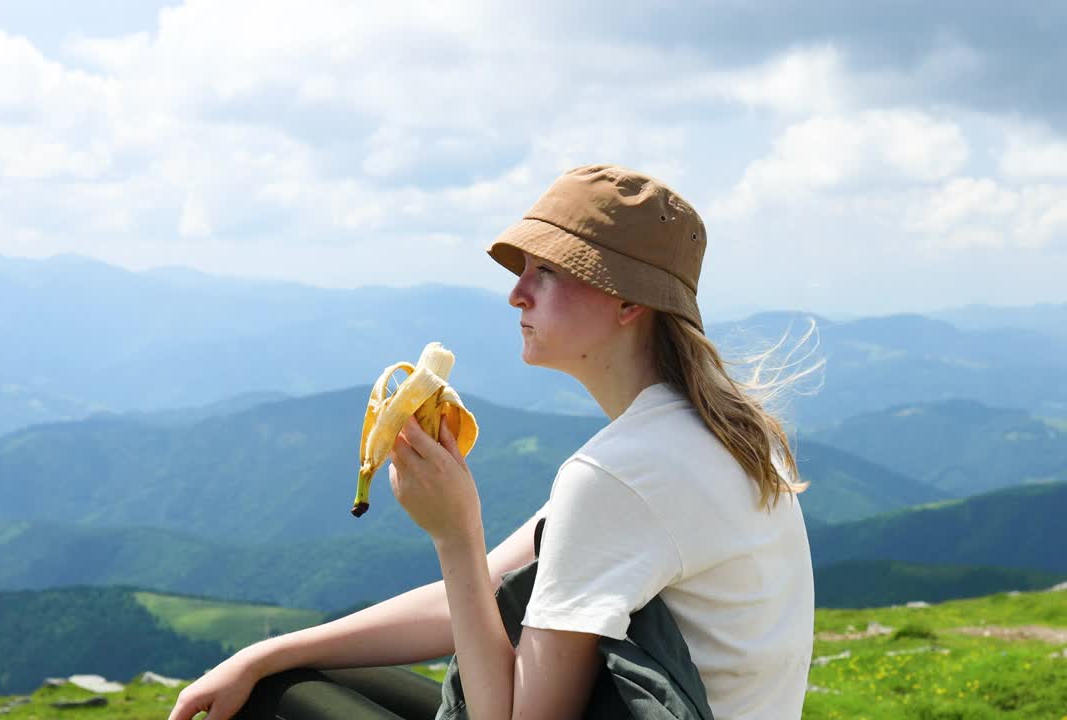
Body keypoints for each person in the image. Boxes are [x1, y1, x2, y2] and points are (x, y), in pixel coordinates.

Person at [166, 164, 820, 720]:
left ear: (629, 304)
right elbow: (484, 585)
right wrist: (263, 652)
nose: (516, 294)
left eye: (550, 272)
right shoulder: (722, 434)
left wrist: (454, 534)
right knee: (280, 676)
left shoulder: (620, 475)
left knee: (273, 704)